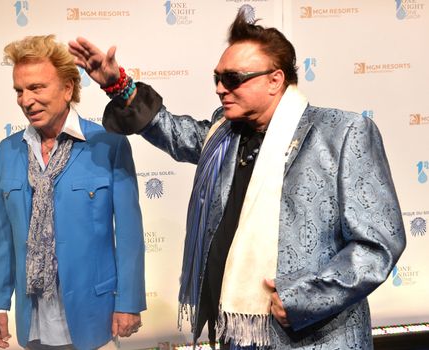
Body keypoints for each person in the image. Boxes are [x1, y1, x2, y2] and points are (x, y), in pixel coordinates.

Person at [68, 10, 406, 350]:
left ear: (275, 80)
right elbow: (174, 132)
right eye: (217, 78)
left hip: (314, 338)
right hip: (236, 334)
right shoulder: (223, 133)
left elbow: (377, 244)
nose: (219, 88)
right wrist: (117, 85)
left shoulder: (342, 133)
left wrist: (303, 298)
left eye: (232, 79)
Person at [0, 35, 146, 350]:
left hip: (93, 318)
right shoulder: (7, 151)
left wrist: (128, 302)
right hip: (32, 320)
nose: (25, 100)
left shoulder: (108, 145)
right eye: (19, 90)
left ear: (68, 89)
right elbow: (3, 237)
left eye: (36, 88)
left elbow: (129, 235)